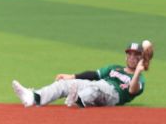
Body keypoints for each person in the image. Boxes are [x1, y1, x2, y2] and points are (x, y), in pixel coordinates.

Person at [11, 42, 151, 108]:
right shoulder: (114, 68)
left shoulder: (140, 80)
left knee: (96, 88)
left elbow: (133, 90)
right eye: (130, 54)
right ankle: (34, 97)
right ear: (126, 56)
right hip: (97, 85)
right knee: (64, 84)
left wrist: (138, 72)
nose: (132, 57)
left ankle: (78, 99)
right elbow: (94, 74)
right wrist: (71, 76)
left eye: (136, 55)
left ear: (140, 58)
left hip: (113, 95)